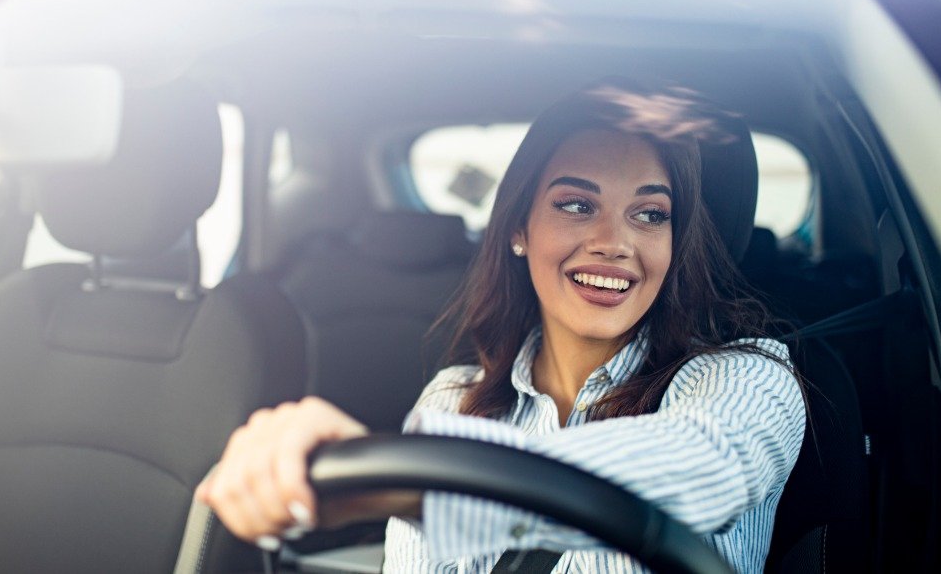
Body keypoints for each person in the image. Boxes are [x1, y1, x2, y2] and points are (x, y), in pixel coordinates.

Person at [194, 82, 807, 573]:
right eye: (576, 204)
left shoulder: (747, 378)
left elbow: (706, 466)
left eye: (650, 214)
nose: (613, 243)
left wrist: (414, 484)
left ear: (676, 245)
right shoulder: (454, 401)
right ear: (519, 228)